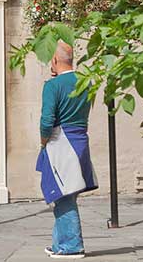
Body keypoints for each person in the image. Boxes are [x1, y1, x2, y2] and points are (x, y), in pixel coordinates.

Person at [36, 42, 97, 259]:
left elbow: (46, 120)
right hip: (81, 139)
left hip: (61, 142)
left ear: (55, 60)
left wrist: (43, 142)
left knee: (62, 194)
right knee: (64, 194)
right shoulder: (86, 82)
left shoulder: (52, 86)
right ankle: (59, 244)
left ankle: (72, 246)